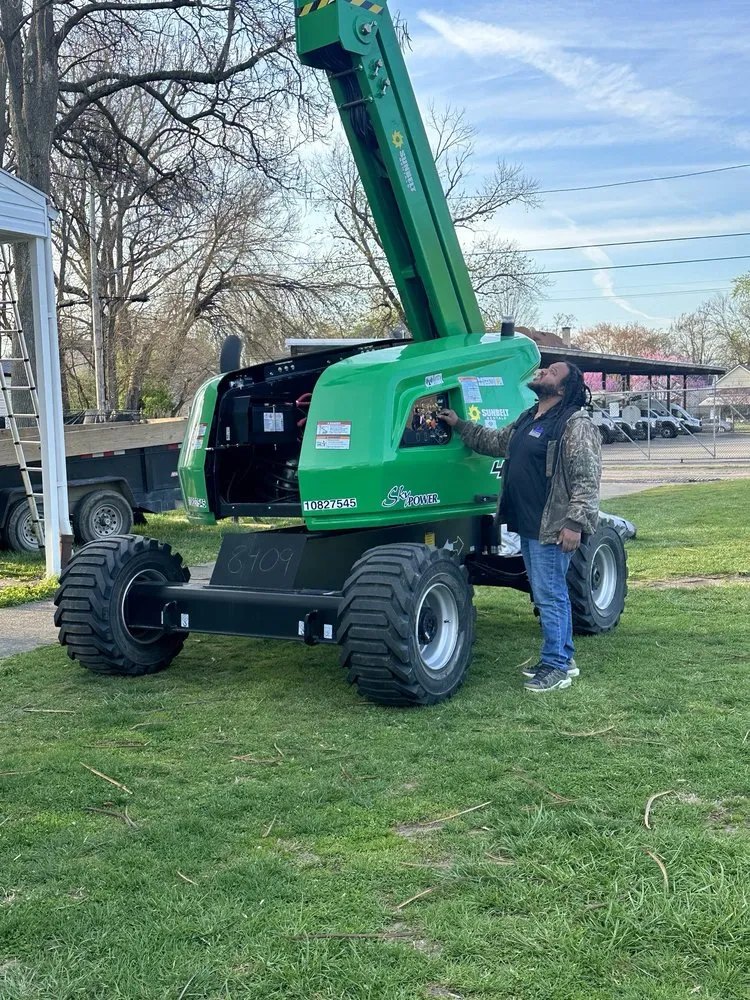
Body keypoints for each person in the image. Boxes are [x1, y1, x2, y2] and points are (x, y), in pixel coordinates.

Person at [439, 362, 602, 693]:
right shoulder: (530, 418)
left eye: (552, 372)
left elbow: (587, 477)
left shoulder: (574, 423)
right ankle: (563, 657)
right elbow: (495, 441)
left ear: (562, 389)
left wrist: (575, 523)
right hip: (528, 524)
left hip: (553, 525)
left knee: (550, 595)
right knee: (547, 593)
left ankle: (556, 666)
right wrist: (458, 424)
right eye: (545, 369)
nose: (542, 372)